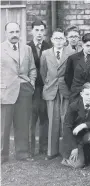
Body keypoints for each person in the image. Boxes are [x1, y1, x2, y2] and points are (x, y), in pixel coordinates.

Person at [1, 22, 37, 163]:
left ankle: (22, 153)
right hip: (6, 92)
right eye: (11, 32)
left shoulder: (27, 49)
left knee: (22, 124)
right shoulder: (0, 49)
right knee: (3, 126)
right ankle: (2, 155)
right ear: (6, 33)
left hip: (24, 91)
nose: (14, 34)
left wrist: (32, 83)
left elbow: (32, 68)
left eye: (17, 31)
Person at [40, 28, 75, 160]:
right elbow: (43, 72)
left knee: (65, 119)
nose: (59, 41)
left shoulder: (71, 52)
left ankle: (65, 150)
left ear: (65, 40)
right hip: (51, 89)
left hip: (66, 90)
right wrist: (49, 83)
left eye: (61, 38)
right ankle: (52, 151)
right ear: (52, 40)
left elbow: (72, 72)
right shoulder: (45, 54)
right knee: (53, 120)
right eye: (56, 38)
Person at [61, 82, 90, 170]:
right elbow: (67, 128)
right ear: (82, 94)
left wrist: (84, 125)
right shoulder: (73, 106)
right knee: (78, 165)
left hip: (87, 136)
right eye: (87, 94)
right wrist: (74, 147)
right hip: (75, 139)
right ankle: (66, 157)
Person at [27, 20, 51, 157]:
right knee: (31, 120)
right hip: (31, 89)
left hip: (44, 88)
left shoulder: (49, 47)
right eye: (36, 30)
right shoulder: (26, 47)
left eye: (42, 30)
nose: (39, 33)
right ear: (32, 31)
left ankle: (43, 148)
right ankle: (30, 150)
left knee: (44, 119)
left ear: (45, 32)